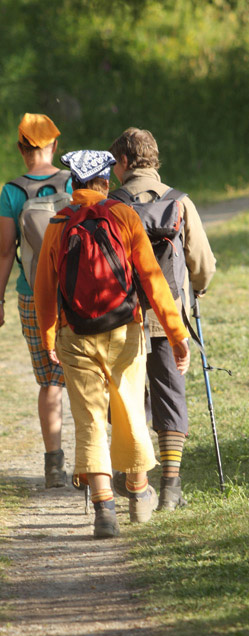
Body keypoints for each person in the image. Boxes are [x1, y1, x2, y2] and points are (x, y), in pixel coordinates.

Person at [33, 150, 190, 539]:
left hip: (75, 337)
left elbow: (44, 290)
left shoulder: (58, 224)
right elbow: (153, 280)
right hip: (126, 332)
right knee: (130, 412)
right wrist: (177, 335)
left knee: (89, 423)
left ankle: (104, 511)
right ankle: (138, 493)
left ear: (73, 184)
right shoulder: (123, 216)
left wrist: (49, 336)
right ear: (106, 183)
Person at [107, 128, 216, 511]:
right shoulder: (180, 202)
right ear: (154, 160)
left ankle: (133, 476)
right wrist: (195, 291)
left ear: (123, 162)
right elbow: (202, 264)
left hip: (122, 317)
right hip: (169, 317)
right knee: (170, 393)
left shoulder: (112, 204)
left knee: (127, 395)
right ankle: (171, 486)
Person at [0, 113, 73, 488]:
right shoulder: (74, 180)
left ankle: (54, 465)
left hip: (33, 296)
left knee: (50, 380)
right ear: (54, 144)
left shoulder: (12, 191)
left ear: (21, 147)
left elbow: (7, 250)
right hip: (78, 293)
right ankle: (99, 458)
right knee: (90, 373)